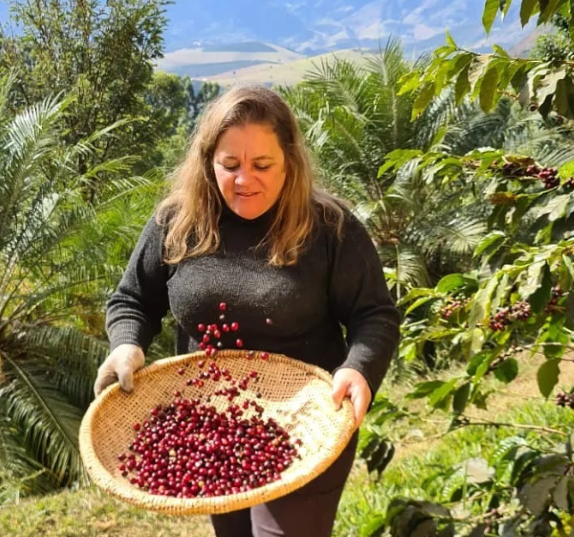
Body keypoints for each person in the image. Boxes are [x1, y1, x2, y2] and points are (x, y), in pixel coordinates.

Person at [93, 83, 401, 537]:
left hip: (306, 425)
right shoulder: (177, 223)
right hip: (213, 427)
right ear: (208, 163)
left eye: (262, 165)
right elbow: (133, 299)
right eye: (230, 165)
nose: (244, 180)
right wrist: (126, 345)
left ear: (289, 162)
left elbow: (374, 315)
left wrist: (360, 368)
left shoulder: (329, 229)